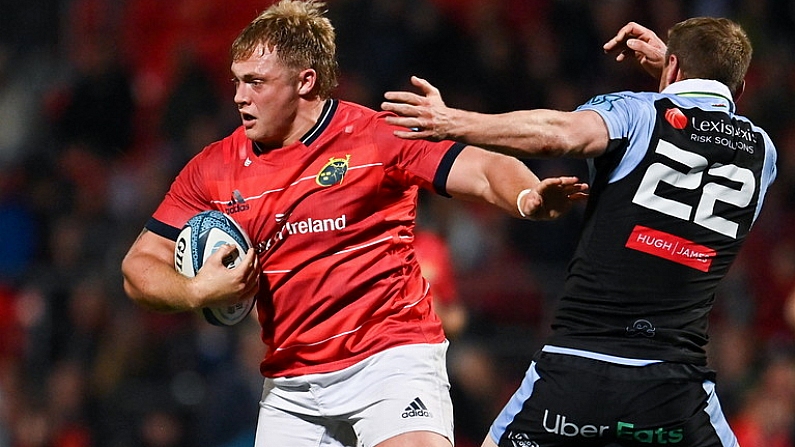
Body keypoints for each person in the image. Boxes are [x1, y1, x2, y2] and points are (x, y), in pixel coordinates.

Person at [120, 1, 587, 447]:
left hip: (391, 362)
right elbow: (139, 265)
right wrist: (195, 291)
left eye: (256, 82)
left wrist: (527, 197)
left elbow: (483, 169)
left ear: (305, 82)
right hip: (292, 384)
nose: (240, 97)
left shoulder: (377, 136)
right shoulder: (214, 167)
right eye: (237, 82)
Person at [382, 17, 777, 447]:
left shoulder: (638, 112)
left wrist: (453, 122)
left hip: (576, 371)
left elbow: (561, 134)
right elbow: (707, 120)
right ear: (738, 89)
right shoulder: (763, 152)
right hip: (674, 387)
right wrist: (680, 65)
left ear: (673, 67)